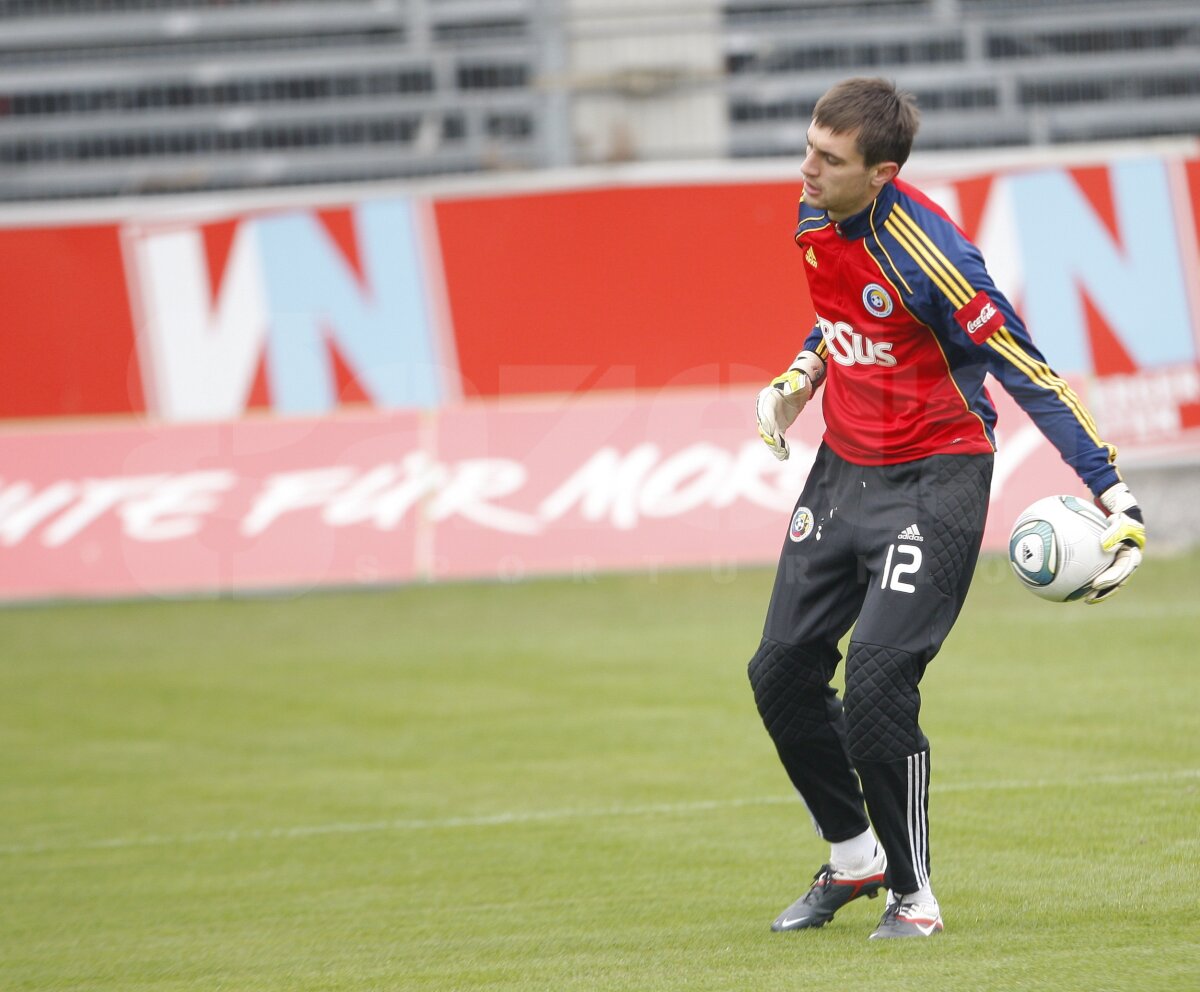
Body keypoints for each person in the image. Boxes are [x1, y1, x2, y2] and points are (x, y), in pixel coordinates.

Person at [748, 76, 1146, 940]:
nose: (806, 169)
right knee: (778, 675)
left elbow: (1027, 370)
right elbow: (844, 317)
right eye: (809, 147)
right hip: (842, 471)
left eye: (828, 159)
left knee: (878, 685)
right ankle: (854, 859)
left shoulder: (936, 255)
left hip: (938, 477)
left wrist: (1114, 494)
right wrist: (803, 373)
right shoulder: (814, 214)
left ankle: (914, 896)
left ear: (882, 173)